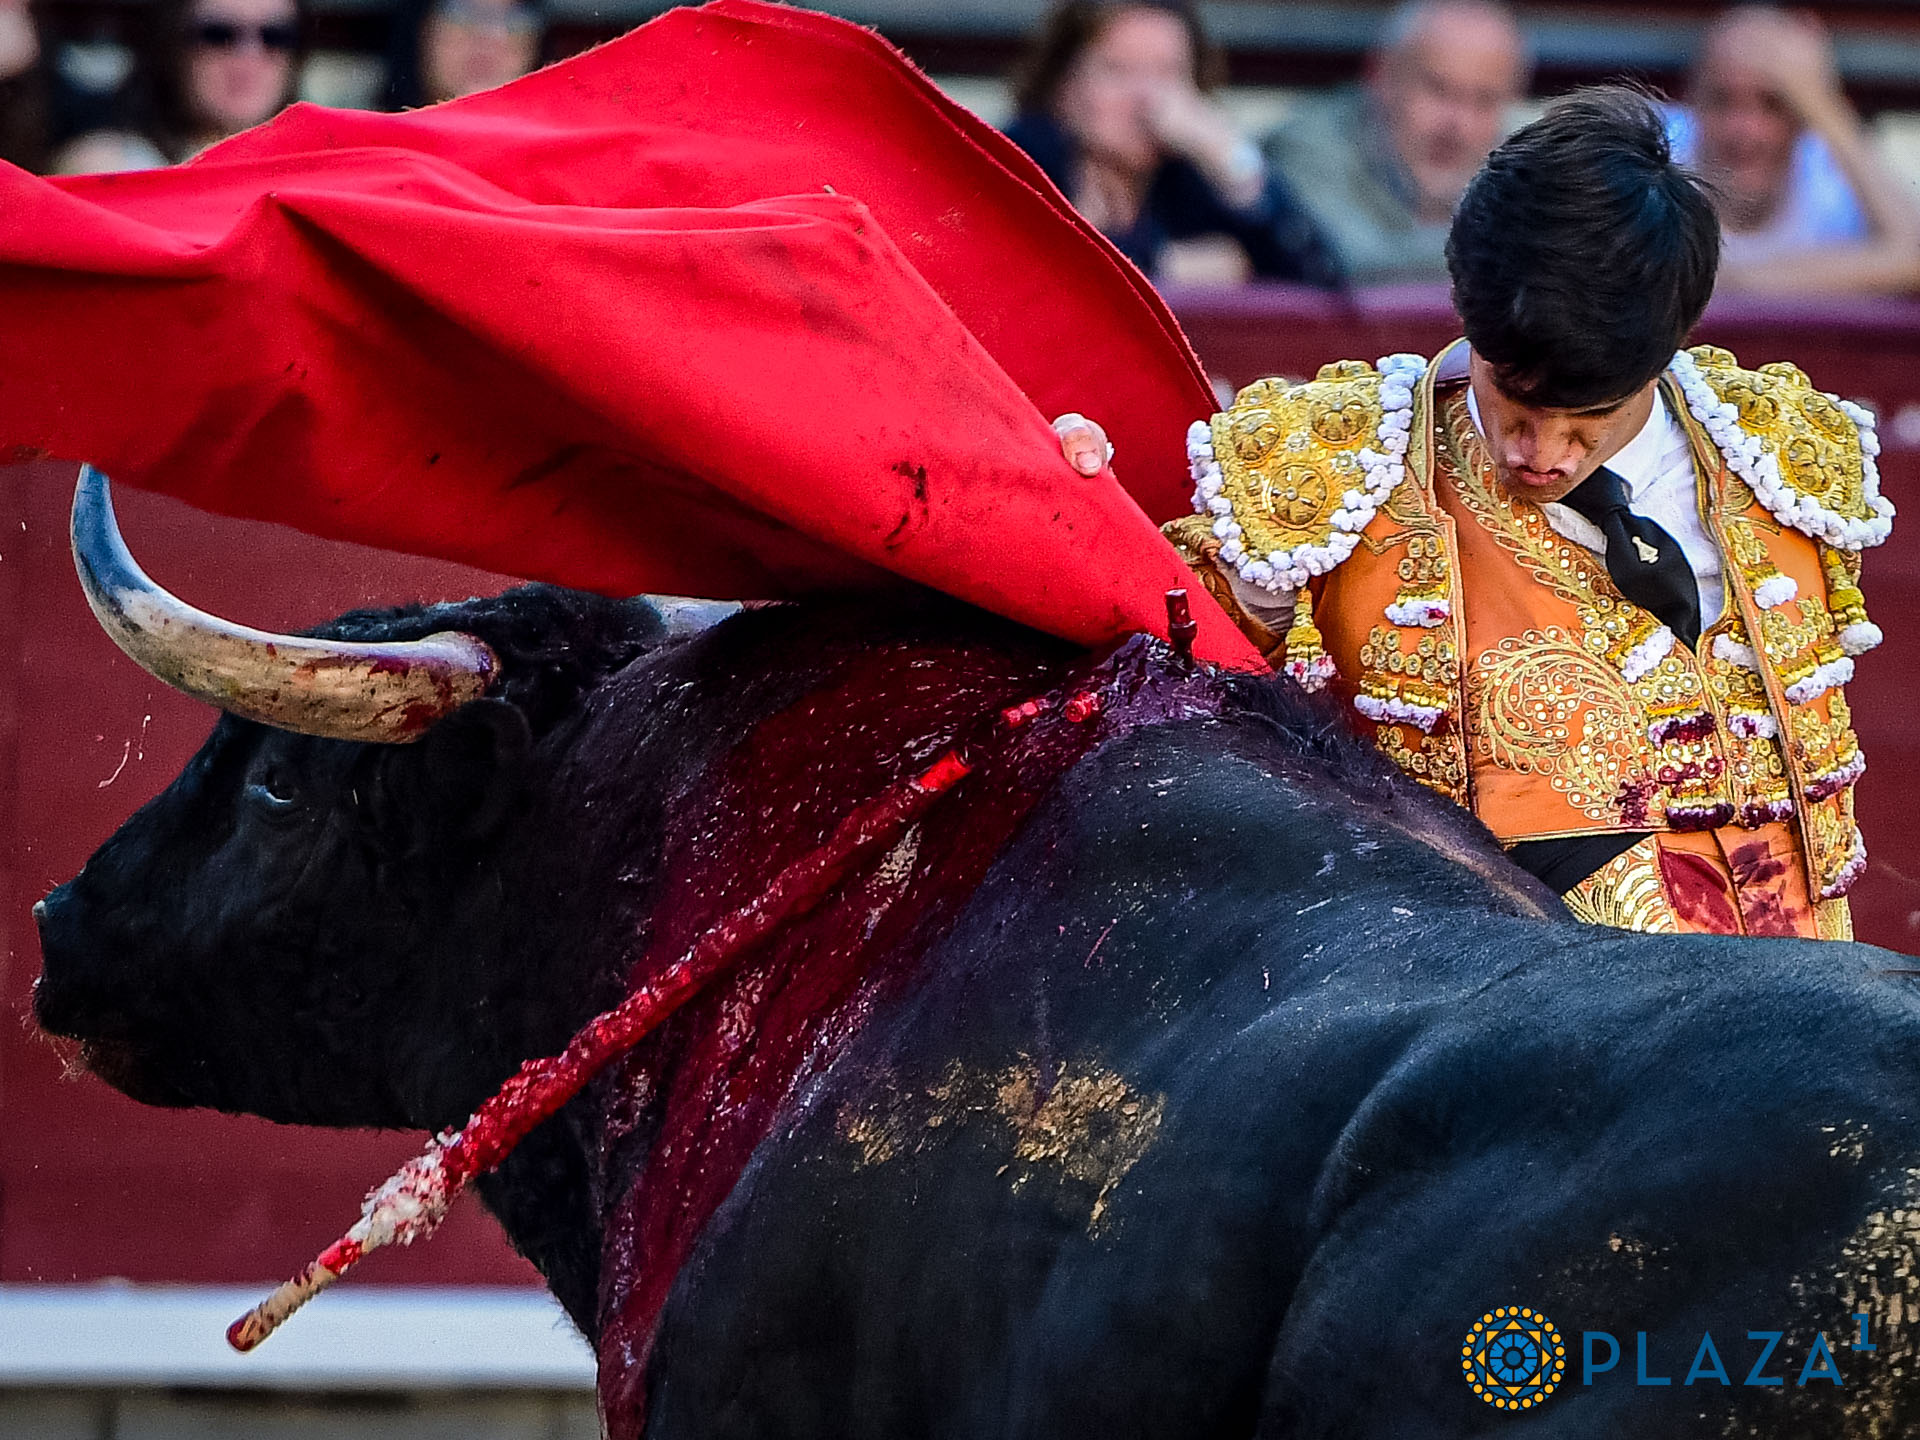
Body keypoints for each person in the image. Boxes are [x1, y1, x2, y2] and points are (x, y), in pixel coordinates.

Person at [1065, 87, 1890, 939]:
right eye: (1516, 402)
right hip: (1495, 1001)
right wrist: (1071, 505)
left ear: (1669, 349)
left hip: (1807, 991)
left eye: (1589, 418)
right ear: (1467, 312)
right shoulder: (1337, 477)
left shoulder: (1778, 459)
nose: (1543, 452)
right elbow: (1145, 677)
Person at [1002, 0, 1341, 286]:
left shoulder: (1186, 175)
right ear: (1063, 84)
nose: (1148, 100)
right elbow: (1041, 270)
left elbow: (1320, 278)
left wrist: (1234, 163)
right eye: (1119, 71)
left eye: (1168, 74)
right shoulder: (1018, 163)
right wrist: (1164, 264)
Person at [1262, 0, 1527, 286]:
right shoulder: (1306, 148)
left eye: (1485, 100)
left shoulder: (1527, 168)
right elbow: (1345, 263)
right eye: (1439, 90)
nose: (1458, 125)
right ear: (1380, 75)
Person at [1674, 5, 1920, 295]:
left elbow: (1914, 254)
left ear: (1805, 115)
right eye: (1722, 100)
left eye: (1772, 104)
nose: (1745, 129)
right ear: (1692, 98)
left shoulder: (1837, 181)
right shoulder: (1649, 150)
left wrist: (1822, 102)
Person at [385, 0, 545, 110]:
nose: (486, 37)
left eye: (515, 20)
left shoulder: (554, 149)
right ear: (422, 30)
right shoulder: (375, 142)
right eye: (461, 12)